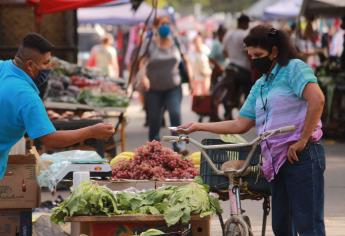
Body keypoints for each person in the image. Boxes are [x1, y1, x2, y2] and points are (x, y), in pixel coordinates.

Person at [178, 25, 326, 235]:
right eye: (250, 55)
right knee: (282, 226)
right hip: (277, 162)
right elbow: (240, 124)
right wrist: (198, 126)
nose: (253, 60)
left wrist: (302, 140)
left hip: (303, 155)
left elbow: (317, 100)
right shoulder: (261, 84)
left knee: (308, 225)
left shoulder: (294, 68)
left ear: (274, 51)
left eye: (258, 55)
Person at [0, 33, 115, 179]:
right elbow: (51, 139)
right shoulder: (27, 97)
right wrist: (91, 131)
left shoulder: (2, 67)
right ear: (29, 65)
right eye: (46, 63)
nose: (50, 67)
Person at [137, 17, 191, 153]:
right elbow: (142, 61)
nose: (165, 27)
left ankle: (179, 145)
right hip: (153, 89)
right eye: (162, 24)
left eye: (168, 24)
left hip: (173, 86)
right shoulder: (149, 42)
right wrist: (143, 77)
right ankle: (153, 148)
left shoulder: (176, 41)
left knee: (175, 114)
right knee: (154, 120)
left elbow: (186, 60)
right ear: (155, 27)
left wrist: (191, 81)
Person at [223, 14, 252, 97]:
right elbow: (248, 53)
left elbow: (224, 52)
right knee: (249, 90)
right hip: (243, 68)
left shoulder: (228, 34)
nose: (248, 25)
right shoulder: (244, 35)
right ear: (244, 23)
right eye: (247, 23)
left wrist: (232, 57)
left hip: (230, 65)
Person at [209, 24, 227, 88]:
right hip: (218, 72)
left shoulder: (226, 43)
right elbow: (210, 58)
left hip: (227, 71)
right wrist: (219, 67)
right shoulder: (216, 44)